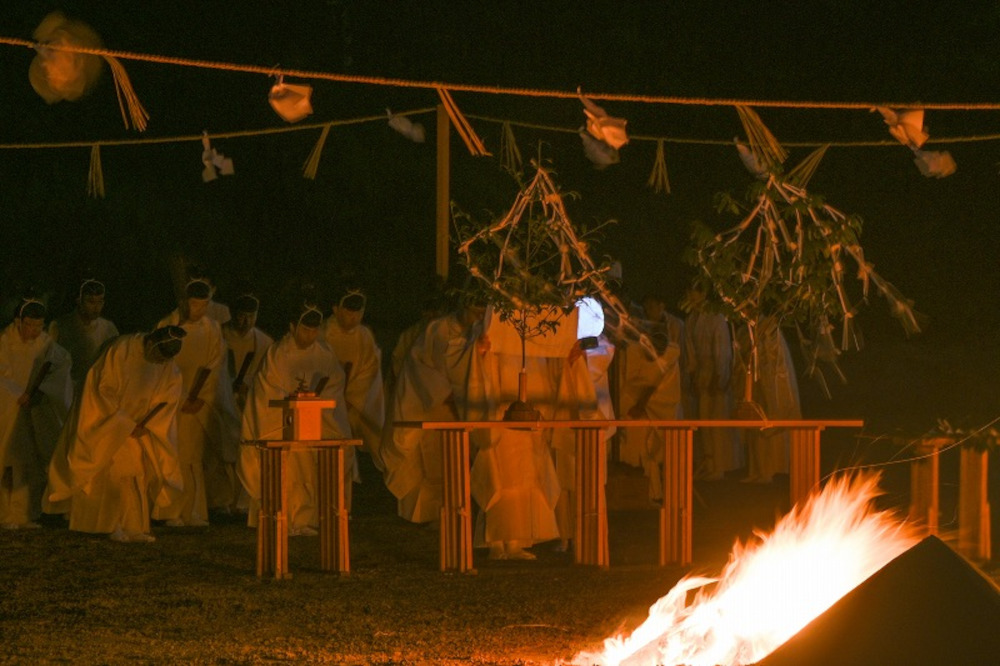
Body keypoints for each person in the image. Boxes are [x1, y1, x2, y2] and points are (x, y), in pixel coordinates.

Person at [45, 326, 186, 542]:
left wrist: (148, 423)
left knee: (136, 472)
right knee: (112, 471)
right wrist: (122, 422)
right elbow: (101, 388)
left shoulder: (166, 363)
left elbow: (169, 392)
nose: (160, 363)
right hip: (110, 424)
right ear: (150, 344)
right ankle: (109, 524)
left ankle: (134, 525)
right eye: (158, 357)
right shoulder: (121, 350)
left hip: (137, 426)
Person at [238, 298, 352, 536]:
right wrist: (292, 408)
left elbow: (334, 384)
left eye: (314, 330)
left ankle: (307, 519)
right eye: (305, 329)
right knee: (287, 470)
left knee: (310, 470)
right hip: (283, 424)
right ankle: (282, 517)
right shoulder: (278, 354)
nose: (310, 335)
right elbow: (266, 392)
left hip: (313, 424)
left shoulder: (324, 353)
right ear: (292, 327)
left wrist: (313, 404)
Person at [380, 298, 490, 526]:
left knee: (459, 466)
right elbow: (419, 366)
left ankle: (459, 512)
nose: (478, 318)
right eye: (475, 312)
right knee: (433, 465)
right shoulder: (437, 329)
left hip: (459, 408)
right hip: (433, 404)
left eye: (483, 314)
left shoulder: (478, 332)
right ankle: (433, 514)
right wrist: (446, 390)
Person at [471, 306, 568, 560]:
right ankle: (496, 542)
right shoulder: (495, 329)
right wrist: (480, 353)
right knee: (501, 480)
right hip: (501, 416)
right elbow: (481, 369)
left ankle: (516, 541)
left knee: (527, 480)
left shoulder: (537, 333)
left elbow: (549, 368)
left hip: (530, 415)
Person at [152, 278, 226, 527]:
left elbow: (215, 366)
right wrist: (179, 397)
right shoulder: (167, 325)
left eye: (205, 306)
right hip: (172, 402)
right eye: (195, 305)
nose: (200, 311)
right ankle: (170, 511)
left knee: (193, 456)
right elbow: (159, 365)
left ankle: (193, 511)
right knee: (171, 453)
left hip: (197, 404)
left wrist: (200, 398)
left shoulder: (213, 328)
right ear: (185, 303)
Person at [0, 298, 73, 528]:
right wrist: (16, 393)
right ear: (18, 321)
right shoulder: (4, 342)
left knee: (29, 461)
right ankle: (5, 514)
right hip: (8, 410)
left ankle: (25, 514)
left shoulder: (46, 345)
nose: (34, 331)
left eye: (39, 326)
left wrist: (40, 392)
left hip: (32, 412)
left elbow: (59, 368)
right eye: (29, 325)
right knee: (7, 461)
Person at [618, 292, 684, 500]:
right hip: (636, 407)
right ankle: (644, 494)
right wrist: (637, 404)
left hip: (659, 408)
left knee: (659, 451)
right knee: (639, 449)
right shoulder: (633, 352)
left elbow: (665, 385)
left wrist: (646, 403)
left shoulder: (672, 354)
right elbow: (630, 381)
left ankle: (663, 493)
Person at [682, 284, 743, 480]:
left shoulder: (716, 318)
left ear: (702, 293)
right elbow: (690, 350)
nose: (690, 294)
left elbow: (722, 349)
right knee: (702, 421)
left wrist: (720, 376)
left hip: (715, 374)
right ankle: (708, 464)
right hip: (701, 374)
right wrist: (692, 375)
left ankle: (719, 466)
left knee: (716, 422)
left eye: (693, 291)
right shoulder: (692, 318)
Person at [323, 286, 385, 471]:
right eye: (349, 310)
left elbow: (370, 371)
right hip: (325, 408)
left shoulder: (364, 336)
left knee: (347, 460)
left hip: (353, 405)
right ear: (336, 309)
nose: (354, 316)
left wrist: (351, 398)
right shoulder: (323, 333)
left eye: (358, 311)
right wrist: (334, 395)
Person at [734, 315, 802, 483]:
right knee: (753, 421)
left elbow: (775, 356)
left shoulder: (770, 327)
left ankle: (767, 470)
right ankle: (755, 469)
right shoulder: (746, 328)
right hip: (754, 381)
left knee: (767, 423)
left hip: (770, 381)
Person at [48, 277, 120, 398]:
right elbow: (50, 361)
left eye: (100, 302)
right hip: (66, 390)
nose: (96, 307)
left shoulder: (108, 328)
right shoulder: (61, 326)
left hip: (96, 390)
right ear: (79, 301)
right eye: (91, 302)